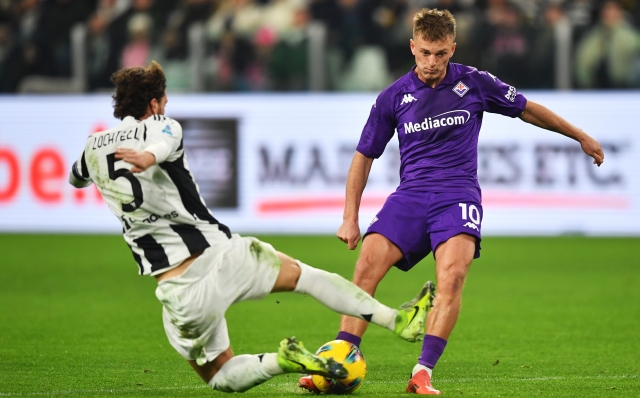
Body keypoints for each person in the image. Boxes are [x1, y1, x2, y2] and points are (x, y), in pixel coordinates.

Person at [68, 60, 435, 393]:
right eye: (163, 101)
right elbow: (162, 143)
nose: (165, 107)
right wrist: (149, 156)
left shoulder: (92, 147)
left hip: (177, 288)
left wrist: (115, 165)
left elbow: (75, 178)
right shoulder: (163, 125)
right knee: (307, 277)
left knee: (219, 376)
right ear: (153, 104)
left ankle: (282, 361)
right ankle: (396, 318)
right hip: (222, 255)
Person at [299, 8, 604, 395]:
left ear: (452, 49)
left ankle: (422, 372)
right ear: (412, 47)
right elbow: (363, 157)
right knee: (366, 268)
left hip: (457, 195)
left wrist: (579, 136)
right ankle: (340, 360)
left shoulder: (474, 83)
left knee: (453, 277)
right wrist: (349, 217)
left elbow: (527, 109)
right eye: (425, 52)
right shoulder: (392, 97)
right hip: (410, 196)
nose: (432, 62)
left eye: (441, 54)